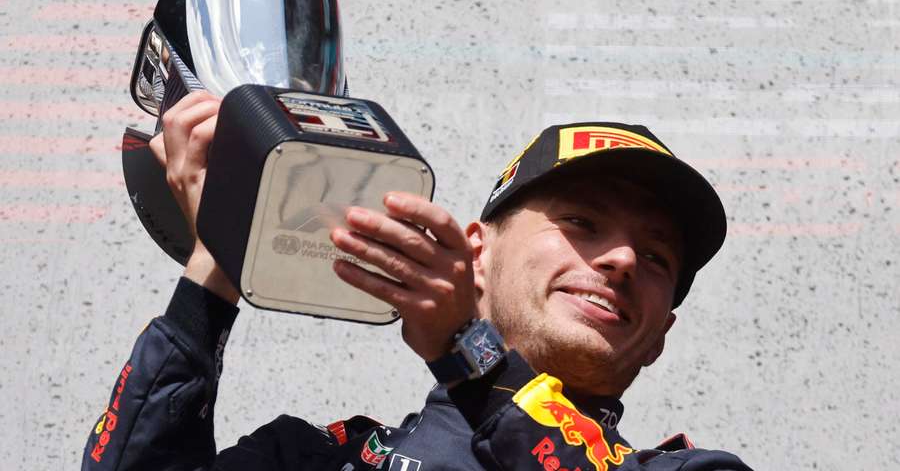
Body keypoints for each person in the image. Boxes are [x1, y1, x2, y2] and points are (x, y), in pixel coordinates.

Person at [83, 91, 753, 470]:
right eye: (581, 222)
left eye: (658, 257)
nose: (624, 260)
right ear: (476, 255)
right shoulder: (324, 461)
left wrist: (466, 349)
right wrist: (224, 254)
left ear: (660, 333)